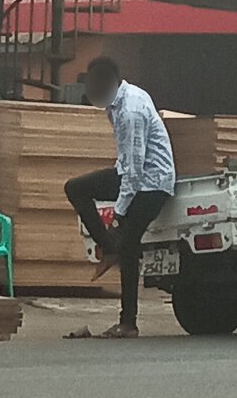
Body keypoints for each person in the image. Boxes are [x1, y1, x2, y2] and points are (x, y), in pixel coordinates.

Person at [64, 56, 175, 339]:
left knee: (128, 244)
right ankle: (108, 245)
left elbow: (136, 172)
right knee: (75, 188)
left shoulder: (130, 110)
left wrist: (119, 216)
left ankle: (128, 323)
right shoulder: (116, 103)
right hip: (130, 174)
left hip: (152, 183)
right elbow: (127, 164)